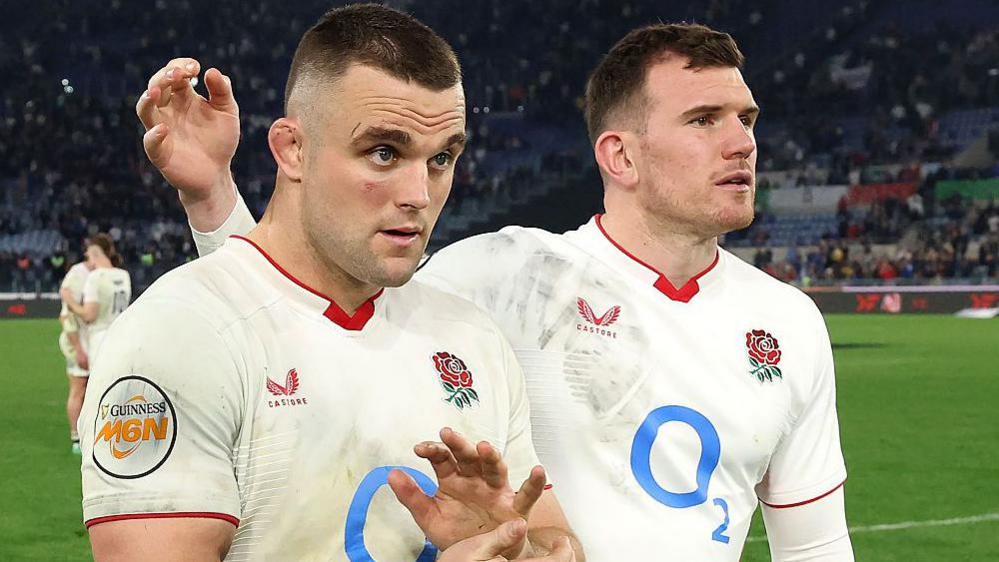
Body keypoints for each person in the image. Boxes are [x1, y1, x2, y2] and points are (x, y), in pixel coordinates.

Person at [148, 20, 853, 562]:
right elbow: (304, 312)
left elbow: (815, 546)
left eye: (746, 119)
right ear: (620, 155)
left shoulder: (786, 323)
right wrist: (215, 199)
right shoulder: (504, 275)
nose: (741, 143)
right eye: (705, 120)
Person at [80, 5, 578, 562]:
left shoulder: (471, 337)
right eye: (384, 153)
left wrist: (527, 551)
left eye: (442, 158)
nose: (419, 192)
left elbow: (557, 539)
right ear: (293, 149)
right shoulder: (175, 335)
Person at [63, 233, 132, 366]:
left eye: (88, 256)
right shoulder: (124, 275)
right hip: (122, 337)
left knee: (100, 385)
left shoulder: (95, 277)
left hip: (101, 339)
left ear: (95, 254)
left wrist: (70, 301)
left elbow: (90, 315)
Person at [57, 246, 93, 454]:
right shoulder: (78, 276)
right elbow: (66, 316)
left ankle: (89, 432)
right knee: (78, 388)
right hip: (78, 342)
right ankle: (76, 438)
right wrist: (78, 348)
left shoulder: (101, 274)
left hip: (93, 342)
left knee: (91, 389)